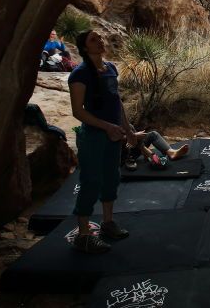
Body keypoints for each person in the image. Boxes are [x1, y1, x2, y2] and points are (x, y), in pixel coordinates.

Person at [68, 29, 139, 254]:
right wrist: (107, 127)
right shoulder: (79, 74)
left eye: (100, 38)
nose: (99, 41)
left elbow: (116, 100)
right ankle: (84, 235)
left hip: (114, 134)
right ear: (84, 47)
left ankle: (107, 223)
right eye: (93, 39)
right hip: (93, 136)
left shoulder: (110, 69)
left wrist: (127, 129)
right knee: (91, 180)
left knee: (111, 178)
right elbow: (78, 111)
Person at [123, 130, 191, 171]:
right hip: (122, 154)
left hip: (132, 144)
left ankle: (171, 152)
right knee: (132, 133)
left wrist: (134, 135)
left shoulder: (121, 117)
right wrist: (133, 136)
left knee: (153, 134)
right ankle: (149, 154)